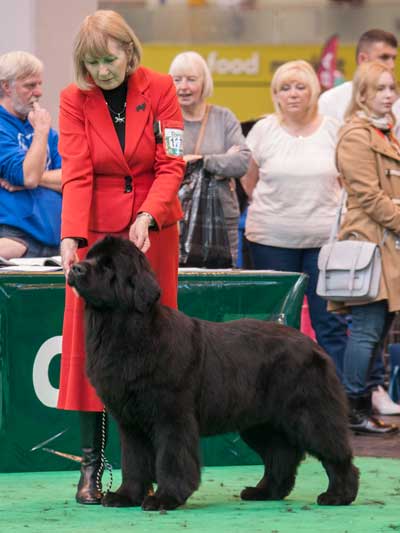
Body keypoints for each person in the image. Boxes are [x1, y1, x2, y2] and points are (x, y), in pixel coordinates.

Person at [57, 10, 185, 504]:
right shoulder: (73, 100)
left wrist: (150, 215)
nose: (102, 71)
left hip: (154, 233)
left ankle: (151, 472)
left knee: (157, 352)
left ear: (130, 51)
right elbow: (76, 172)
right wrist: (71, 237)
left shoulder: (161, 88)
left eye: (109, 60)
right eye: (91, 63)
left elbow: (171, 163)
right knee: (94, 351)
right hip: (96, 235)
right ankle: (91, 469)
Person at [241, 60, 348, 379]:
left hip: (325, 245)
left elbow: (346, 183)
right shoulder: (262, 130)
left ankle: (336, 400)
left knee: (329, 323)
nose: (293, 94)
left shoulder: (334, 129)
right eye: (285, 88)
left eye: (300, 86)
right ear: (275, 94)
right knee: (276, 325)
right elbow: (249, 182)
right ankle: (271, 400)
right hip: (271, 242)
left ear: (314, 90)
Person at [320, 28, 400, 415]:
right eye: (381, 88)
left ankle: (363, 404)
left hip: (386, 246)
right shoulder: (356, 135)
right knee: (367, 331)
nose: (389, 94)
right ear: (363, 93)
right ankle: (351, 406)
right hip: (369, 245)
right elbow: (369, 197)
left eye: (392, 87)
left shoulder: (384, 134)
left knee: (379, 332)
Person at [169, 51, 250, 266]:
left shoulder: (224, 118)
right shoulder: (164, 120)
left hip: (221, 220)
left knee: (222, 285)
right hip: (174, 220)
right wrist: (222, 160)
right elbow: (162, 165)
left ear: (204, 83)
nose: (183, 86)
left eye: (191, 79)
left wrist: (202, 161)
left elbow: (242, 162)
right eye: (177, 80)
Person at [0, 51, 61, 258]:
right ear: (6, 86)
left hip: (55, 241)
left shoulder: (45, 131)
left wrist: (40, 179)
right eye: (29, 86)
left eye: (39, 84)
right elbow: (28, 176)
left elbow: (71, 178)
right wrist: (41, 132)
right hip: (16, 241)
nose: (38, 92)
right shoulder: (5, 128)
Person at [319, 29, 400, 133]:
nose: (392, 65)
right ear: (363, 59)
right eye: (384, 57)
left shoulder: (397, 102)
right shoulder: (331, 100)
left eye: (394, 58)